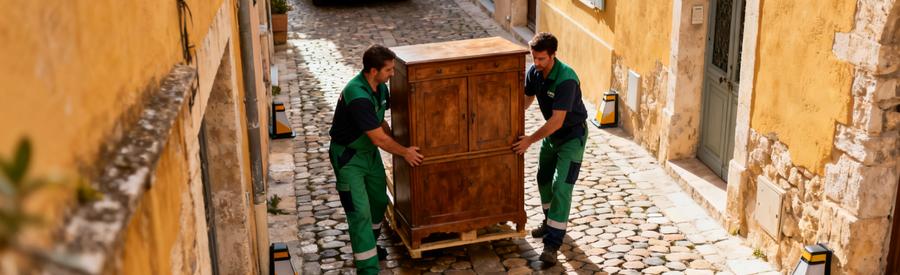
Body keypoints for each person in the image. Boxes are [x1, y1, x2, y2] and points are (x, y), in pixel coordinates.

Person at [328, 44, 424, 274]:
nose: (393, 74)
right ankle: (367, 267)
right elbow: (379, 139)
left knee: (379, 201)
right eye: (389, 70)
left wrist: (399, 140)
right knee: (359, 212)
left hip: (368, 155)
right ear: (373, 71)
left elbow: (380, 120)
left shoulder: (380, 89)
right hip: (349, 158)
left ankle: (368, 244)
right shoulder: (357, 95)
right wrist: (404, 152)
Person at [512, 32, 589, 266]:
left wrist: (528, 140)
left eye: (541, 59)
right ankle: (549, 221)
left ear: (553, 55)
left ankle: (552, 244)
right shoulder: (533, 73)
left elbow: (556, 121)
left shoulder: (566, 79)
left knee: (561, 187)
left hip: (572, 137)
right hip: (552, 138)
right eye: (534, 58)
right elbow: (524, 102)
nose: (536, 64)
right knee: (542, 178)